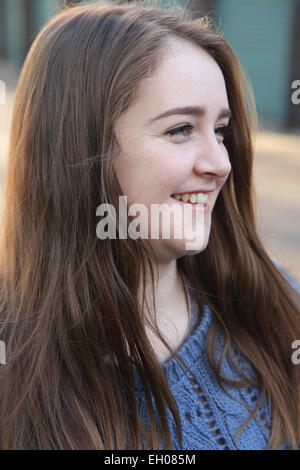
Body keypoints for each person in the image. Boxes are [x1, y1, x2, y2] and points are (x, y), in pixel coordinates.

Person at [0, 0, 299, 450]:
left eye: (220, 130)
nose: (221, 163)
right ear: (81, 149)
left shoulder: (272, 302)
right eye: (181, 129)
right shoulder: (15, 369)